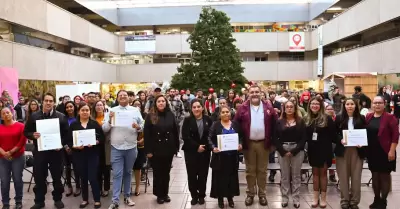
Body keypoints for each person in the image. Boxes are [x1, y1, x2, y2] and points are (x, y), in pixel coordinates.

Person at [24, 92, 69, 209]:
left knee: (57, 177)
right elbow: (26, 132)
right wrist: (32, 135)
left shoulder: (61, 116)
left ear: (54, 103)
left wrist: (61, 144)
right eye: (46, 100)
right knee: (39, 177)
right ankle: (39, 201)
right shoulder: (34, 116)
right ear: (42, 102)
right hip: (40, 152)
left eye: (50, 101)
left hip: (56, 152)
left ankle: (58, 199)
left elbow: (67, 135)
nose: (48, 103)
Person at [234, 85, 277, 206]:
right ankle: (250, 194)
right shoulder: (242, 108)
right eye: (252, 92)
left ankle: (262, 195)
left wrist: (274, 143)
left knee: (262, 171)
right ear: (248, 93)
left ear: (261, 93)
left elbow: (275, 124)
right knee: (250, 171)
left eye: (257, 92)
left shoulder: (268, 107)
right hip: (249, 144)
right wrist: (239, 142)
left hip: (264, 144)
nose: (254, 94)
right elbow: (236, 125)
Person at [103, 90, 144, 209]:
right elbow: (105, 129)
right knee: (117, 174)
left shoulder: (135, 111)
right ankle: (115, 200)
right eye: (120, 95)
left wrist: (138, 127)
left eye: (125, 95)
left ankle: (127, 196)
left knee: (128, 172)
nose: (122, 97)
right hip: (116, 147)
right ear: (117, 98)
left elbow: (142, 126)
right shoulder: (112, 111)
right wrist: (110, 120)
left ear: (129, 98)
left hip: (131, 146)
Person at [66, 102, 104, 208]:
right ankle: (85, 199)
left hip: (92, 154)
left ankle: (97, 199)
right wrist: (75, 146)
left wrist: (95, 142)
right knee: (83, 177)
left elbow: (102, 138)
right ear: (78, 111)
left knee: (93, 177)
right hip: (79, 155)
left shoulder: (94, 124)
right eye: (83, 110)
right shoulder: (74, 125)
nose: (85, 112)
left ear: (90, 111)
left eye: (87, 110)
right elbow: (68, 140)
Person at [144, 95, 179, 204]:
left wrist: (176, 147)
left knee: (166, 172)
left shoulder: (170, 114)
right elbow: (147, 134)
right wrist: (148, 151)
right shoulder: (151, 115)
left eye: (163, 101)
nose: (161, 103)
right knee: (158, 173)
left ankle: (165, 193)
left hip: (168, 148)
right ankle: (159, 194)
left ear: (166, 103)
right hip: (156, 149)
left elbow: (175, 131)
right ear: (155, 103)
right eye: (159, 101)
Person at [366, 96, 398, 209]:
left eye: (380, 103)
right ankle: (376, 199)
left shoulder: (390, 117)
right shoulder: (368, 116)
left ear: (384, 104)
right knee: (374, 175)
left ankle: (383, 201)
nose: (377, 105)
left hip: (386, 151)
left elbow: (395, 135)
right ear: (372, 105)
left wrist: (392, 151)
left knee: (384, 176)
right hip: (372, 152)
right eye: (375, 103)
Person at [334, 98, 366, 209]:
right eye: (347, 104)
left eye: (352, 104)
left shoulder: (361, 118)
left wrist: (362, 142)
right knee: (343, 177)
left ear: (356, 106)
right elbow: (334, 134)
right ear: (344, 106)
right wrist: (340, 140)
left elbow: (365, 133)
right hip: (343, 151)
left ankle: (354, 201)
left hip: (357, 151)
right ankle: (344, 200)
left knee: (356, 177)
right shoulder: (339, 118)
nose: (350, 106)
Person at [208, 106, 242, 208]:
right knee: (220, 179)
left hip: (232, 157)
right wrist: (213, 147)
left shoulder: (235, 124)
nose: (226, 114)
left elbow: (241, 137)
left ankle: (230, 197)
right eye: (223, 112)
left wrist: (240, 144)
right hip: (220, 158)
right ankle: (220, 199)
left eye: (227, 111)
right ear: (220, 114)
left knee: (231, 178)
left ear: (230, 113)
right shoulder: (215, 125)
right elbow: (209, 138)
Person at [274, 101, 306, 208]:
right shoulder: (279, 122)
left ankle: (296, 198)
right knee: (285, 176)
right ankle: (284, 198)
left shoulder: (300, 121)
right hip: (283, 149)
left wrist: (294, 151)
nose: (289, 108)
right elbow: (275, 138)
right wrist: (283, 151)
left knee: (296, 175)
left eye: (291, 107)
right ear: (284, 109)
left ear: (295, 108)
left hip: (297, 149)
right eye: (287, 107)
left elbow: (303, 138)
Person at [305, 97, 336, 208]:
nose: (314, 106)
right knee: (315, 174)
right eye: (312, 103)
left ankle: (323, 198)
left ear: (321, 106)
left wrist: (343, 141)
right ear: (309, 105)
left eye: (317, 104)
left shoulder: (327, 118)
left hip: (324, 150)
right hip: (313, 150)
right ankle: (315, 197)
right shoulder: (307, 119)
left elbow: (334, 136)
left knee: (323, 174)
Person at [181, 99, 213, 205]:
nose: (196, 109)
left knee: (203, 174)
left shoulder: (208, 119)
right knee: (192, 174)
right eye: (194, 107)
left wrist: (206, 147)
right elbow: (185, 136)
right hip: (191, 152)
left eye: (198, 106)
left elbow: (211, 135)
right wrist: (196, 147)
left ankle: (201, 195)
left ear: (202, 108)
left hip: (205, 151)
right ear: (191, 109)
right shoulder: (187, 120)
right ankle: (194, 195)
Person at [0, 107, 27, 209]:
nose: (6, 114)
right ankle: (5, 203)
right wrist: (4, 153)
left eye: (8, 112)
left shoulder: (20, 126)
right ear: (1, 116)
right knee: (4, 181)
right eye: (3, 113)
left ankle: (18, 201)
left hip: (17, 157)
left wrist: (11, 152)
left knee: (17, 179)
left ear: (12, 113)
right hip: (2, 158)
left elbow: (22, 141)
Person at [92, 101, 111, 197]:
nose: (99, 107)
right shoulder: (91, 118)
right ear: (94, 107)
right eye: (97, 105)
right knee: (97, 168)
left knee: (106, 168)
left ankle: (106, 188)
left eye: (101, 105)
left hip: (106, 145)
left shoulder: (108, 117)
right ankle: (98, 188)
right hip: (95, 146)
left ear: (104, 107)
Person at [63, 101, 81, 197]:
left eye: (71, 106)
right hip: (66, 147)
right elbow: (62, 134)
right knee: (68, 168)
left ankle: (78, 186)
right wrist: (66, 146)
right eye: (67, 107)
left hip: (77, 147)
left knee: (77, 167)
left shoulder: (79, 119)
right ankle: (69, 186)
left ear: (74, 107)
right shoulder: (63, 119)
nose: (69, 108)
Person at [131, 99, 146, 196]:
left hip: (140, 145)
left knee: (137, 167)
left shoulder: (145, 117)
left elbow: (149, 132)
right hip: (129, 144)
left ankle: (137, 186)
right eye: (135, 104)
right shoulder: (129, 116)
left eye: (139, 105)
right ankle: (128, 187)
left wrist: (142, 140)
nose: (137, 106)